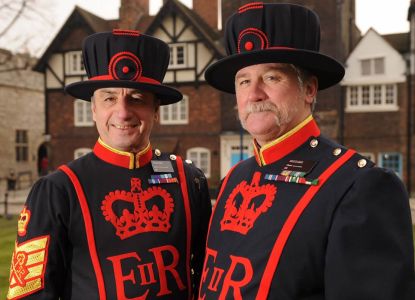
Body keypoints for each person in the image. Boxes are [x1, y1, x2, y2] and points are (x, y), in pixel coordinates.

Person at [199, 3, 415, 299]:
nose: (254, 94)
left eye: (272, 77)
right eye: (244, 80)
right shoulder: (235, 178)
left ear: (310, 90)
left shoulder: (359, 186)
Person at [7, 29, 211, 299]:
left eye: (136, 98)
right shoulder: (57, 190)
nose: (123, 112)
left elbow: (209, 279)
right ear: (93, 109)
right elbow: (29, 293)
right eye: (109, 98)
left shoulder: (189, 181)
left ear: (156, 111)